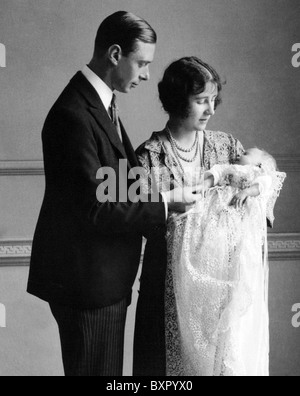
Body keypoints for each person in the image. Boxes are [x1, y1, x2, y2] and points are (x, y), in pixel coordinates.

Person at [27, 12, 199, 377]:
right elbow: (97, 207)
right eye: (142, 63)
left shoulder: (98, 104)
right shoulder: (74, 114)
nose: (147, 75)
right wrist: (168, 202)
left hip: (103, 282)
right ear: (116, 54)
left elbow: (113, 185)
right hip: (88, 287)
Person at [133, 56, 245, 376]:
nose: (210, 110)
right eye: (200, 101)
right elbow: (138, 221)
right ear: (177, 100)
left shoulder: (226, 147)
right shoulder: (148, 157)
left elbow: (259, 184)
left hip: (220, 293)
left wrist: (250, 189)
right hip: (165, 290)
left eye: (212, 100)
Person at [167, 148, 286, 376]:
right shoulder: (232, 167)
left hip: (236, 230)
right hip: (214, 216)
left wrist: (247, 192)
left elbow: (264, 184)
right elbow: (218, 171)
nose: (240, 152)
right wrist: (206, 182)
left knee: (236, 290)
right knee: (196, 216)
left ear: (260, 164)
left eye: (248, 152)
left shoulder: (257, 173)